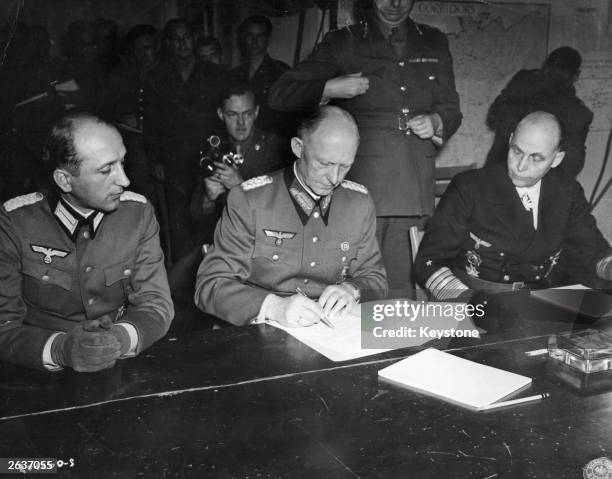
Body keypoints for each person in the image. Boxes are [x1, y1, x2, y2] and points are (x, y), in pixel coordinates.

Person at [269, 0, 462, 294]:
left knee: (402, 282)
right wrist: (330, 88)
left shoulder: (433, 40)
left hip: (413, 182)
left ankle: (400, 341)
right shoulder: (344, 41)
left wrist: (436, 121)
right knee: (356, 280)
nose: (395, 4)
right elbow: (280, 94)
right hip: (364, 182)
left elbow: (451, 106)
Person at [0, 113, 174, 372]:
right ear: (65, 180)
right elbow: (4, 323)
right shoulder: (15, 223)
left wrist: (118, 339)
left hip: (121, 362)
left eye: (122, 163)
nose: (124, 180)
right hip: (39, 374)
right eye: (107, 170)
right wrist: (61, 350)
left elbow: (155, 303)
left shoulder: (137, 214)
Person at [194, 106, 388, 327]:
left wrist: (352, 290)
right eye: (325, 164)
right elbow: (210, 285)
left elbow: (376, 279)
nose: (334, 179)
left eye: (345, 167)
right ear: (298, 147)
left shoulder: (358, 204)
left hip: (334, 331)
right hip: (264, 329)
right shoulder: (251, 201)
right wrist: (273, 307)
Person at [414, 111, 612, 301]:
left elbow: (592, 250)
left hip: (539, 305)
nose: (521, 166)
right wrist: (472, 304)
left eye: (536, 158)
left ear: (556, 159)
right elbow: (428, 263)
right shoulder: (470, 187)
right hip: (474, 304)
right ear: (509, 141)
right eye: (517, 151)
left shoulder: (566, 191)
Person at [144, 19, 224, 262]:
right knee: (178, 225)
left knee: (211, 220)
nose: (182, 44)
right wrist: (156, 159)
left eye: (186, 37)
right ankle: (181, 285)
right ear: (168, 44)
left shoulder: (213, 73)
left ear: (194, 39)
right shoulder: (157, 77)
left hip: (209, 160)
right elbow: (151, 122)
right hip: (174, 161)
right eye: (176, 39)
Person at [193, 82, 289, 235]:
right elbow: (195, 219)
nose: (241, 123)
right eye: (232, 115)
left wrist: (239, 186)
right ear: (220, 114)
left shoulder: (276, 149)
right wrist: (208, 199)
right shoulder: (214, 149)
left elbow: (282, 217)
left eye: (247, 114)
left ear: (256, 112)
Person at [486, 47, 593, 178]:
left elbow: (493, 119)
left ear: (545, 65)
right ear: (576, 75)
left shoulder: (522, 82)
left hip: (494, 178)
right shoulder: (579, 113)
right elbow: (572, 165)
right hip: (539, 187)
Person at [231, 15, 290, 133]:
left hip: (270, 140)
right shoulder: (234, 74)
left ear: (268, 39)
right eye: (250, 36)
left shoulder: (281, 72)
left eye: (260, 36)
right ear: (244, 39)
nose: (254, 41)